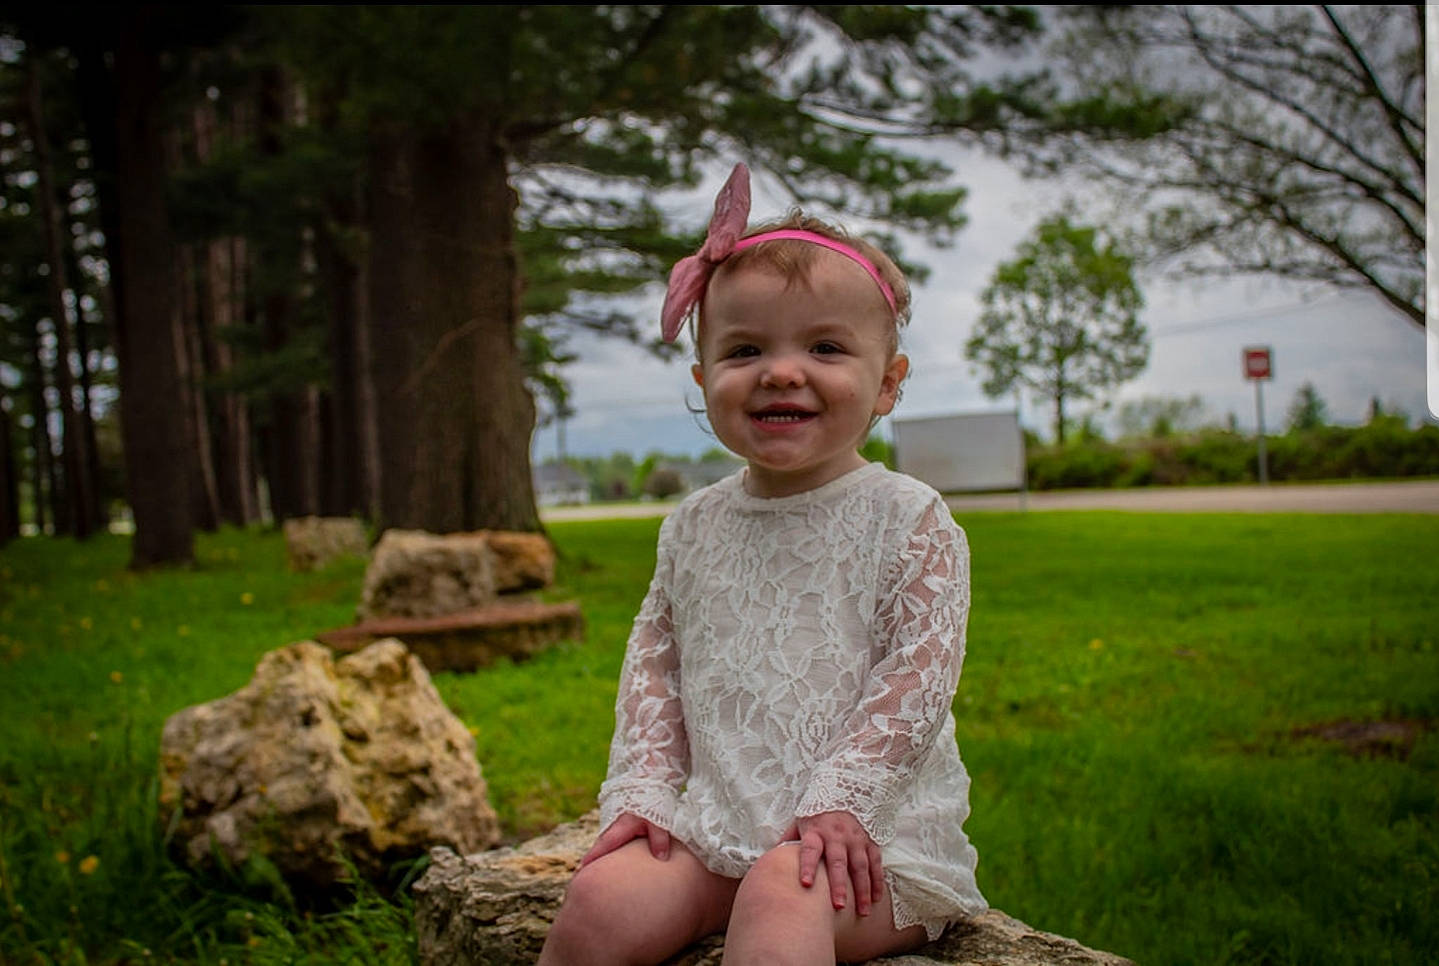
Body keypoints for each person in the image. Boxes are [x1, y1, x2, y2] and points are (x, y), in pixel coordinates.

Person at [538, 162, 985, 966]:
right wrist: (641, 789)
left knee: (783, 894)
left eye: (823, 346)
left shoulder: (906, 516)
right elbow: (655, 662)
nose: (781, 370)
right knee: (602, 897)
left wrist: (841, 799)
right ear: (705, 380)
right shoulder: (693, 525)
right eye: (745, 349)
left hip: (868, 847)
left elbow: (917, 675)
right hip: (721, 831)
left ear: (886, 384)